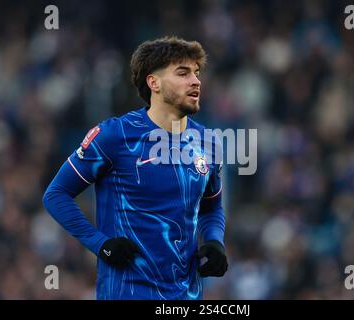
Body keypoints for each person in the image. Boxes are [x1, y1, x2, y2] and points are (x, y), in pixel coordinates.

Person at [42, 36, 228, 300]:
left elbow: (212, 207)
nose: (196, 81)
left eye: (196, 73)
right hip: (127, 292)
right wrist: (101, 245)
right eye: (183, 73)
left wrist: (214, 241)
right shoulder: (115, 135)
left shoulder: (208, 142)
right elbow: (56, 195)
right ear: (154, 83)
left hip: (186, 297)